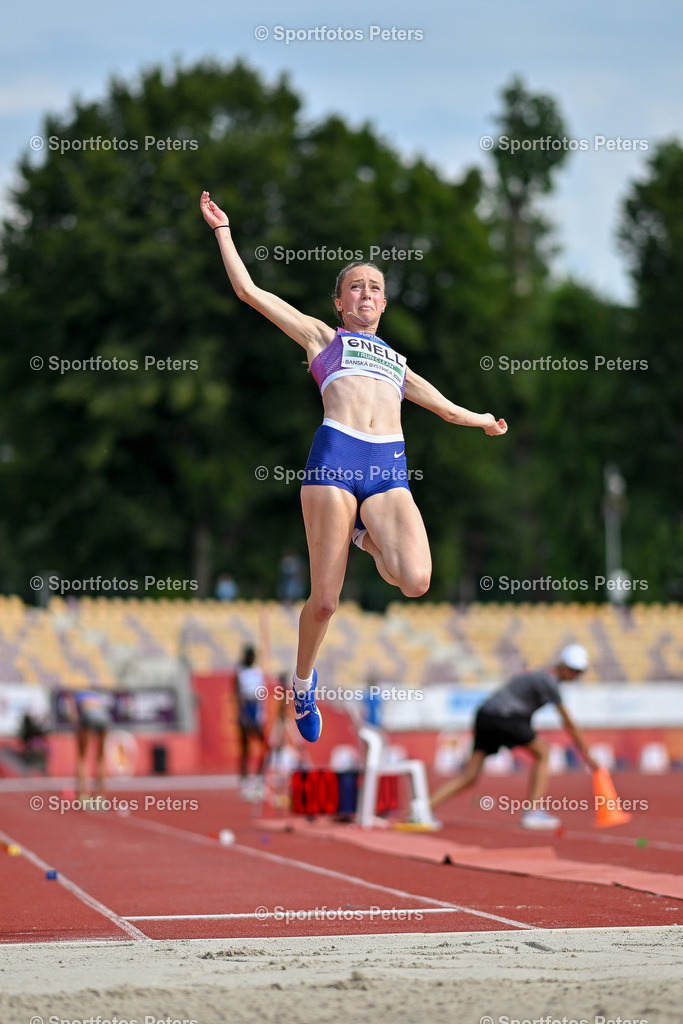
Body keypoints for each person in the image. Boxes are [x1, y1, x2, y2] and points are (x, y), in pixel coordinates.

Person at [200, 190, 507, 744]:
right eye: (356, 287)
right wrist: (223, 231)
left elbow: (443, 406)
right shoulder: (324, 337)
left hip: (389, 467)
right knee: (325, 601)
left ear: (383, 305)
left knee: (416, 580)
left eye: (375, 288)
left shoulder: (397, 362)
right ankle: (302, 684)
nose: (366, 293)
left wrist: (482, 419)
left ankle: (361, 536)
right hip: (336, 460)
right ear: (340, 303)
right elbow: (248, 291)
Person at [429, 644, 600, 830]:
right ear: (562, 666)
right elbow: (568, 723)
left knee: (470, 775)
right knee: (543, 752)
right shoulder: (548, 682)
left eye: (578, 672)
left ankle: (423, 809)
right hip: (504, 716)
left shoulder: (539, 674)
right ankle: (533, 812)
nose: (574, 675)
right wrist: (587, 754)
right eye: (573, 670)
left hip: (485, 714)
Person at [70, 689, 113, 806]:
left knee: (82, 757)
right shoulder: (96, 696)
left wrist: (77, 730)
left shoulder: (75, 697)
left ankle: (84, 795)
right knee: (100, 758)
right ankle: (100, 797)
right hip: (104, 718)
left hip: (88, 716)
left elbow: (74, 717)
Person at [235, 645, 268, 795]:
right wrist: (243, 714)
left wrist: (261, 713)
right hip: (246, 708)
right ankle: (244, 780)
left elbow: (262, 694)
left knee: (264, 746)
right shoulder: (240, 672)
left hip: (256, 708)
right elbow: (238, 694)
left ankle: (259, 778)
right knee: (245, 748)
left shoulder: (257, 671)